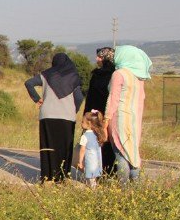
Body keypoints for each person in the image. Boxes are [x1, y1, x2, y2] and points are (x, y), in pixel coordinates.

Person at [24, 53, 85, 182]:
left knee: (48, 147)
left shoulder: (46, 75)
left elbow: (29, 83)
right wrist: (74, 109)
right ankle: (62, 177)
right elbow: (79, 97)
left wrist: (37, 99)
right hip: (67, 117)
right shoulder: (73, 77)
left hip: (47, 115)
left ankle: (47, 178)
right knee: (64, 148)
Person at [105, 45, 152, 184]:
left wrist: (106, 119)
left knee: (121, 153)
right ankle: (137, 185)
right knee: (133, 153)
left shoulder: (119, 74)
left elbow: (113, 98)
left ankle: (123, 186)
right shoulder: (139, 77)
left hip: (120, 118)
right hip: (135, 120)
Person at [84, 47, 116, 176]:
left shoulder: (98, 75)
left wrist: (86, 115)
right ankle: (110, 173)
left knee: (97, 142)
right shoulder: (115, 74)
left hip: (96, 114)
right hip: (109, 113)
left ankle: (98, 172)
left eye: (100, 57)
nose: (97, 59)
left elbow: (91, 97)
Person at [77, 110, 107, 188]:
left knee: (90, 179)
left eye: (83, 122)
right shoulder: (97, 134)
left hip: (90, 161)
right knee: (93, 178)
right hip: (97, 162)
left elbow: (82, 150)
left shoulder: (85, 136)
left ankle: (93, 193)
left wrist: (80, 161)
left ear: (89, 123)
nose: (81, 123)